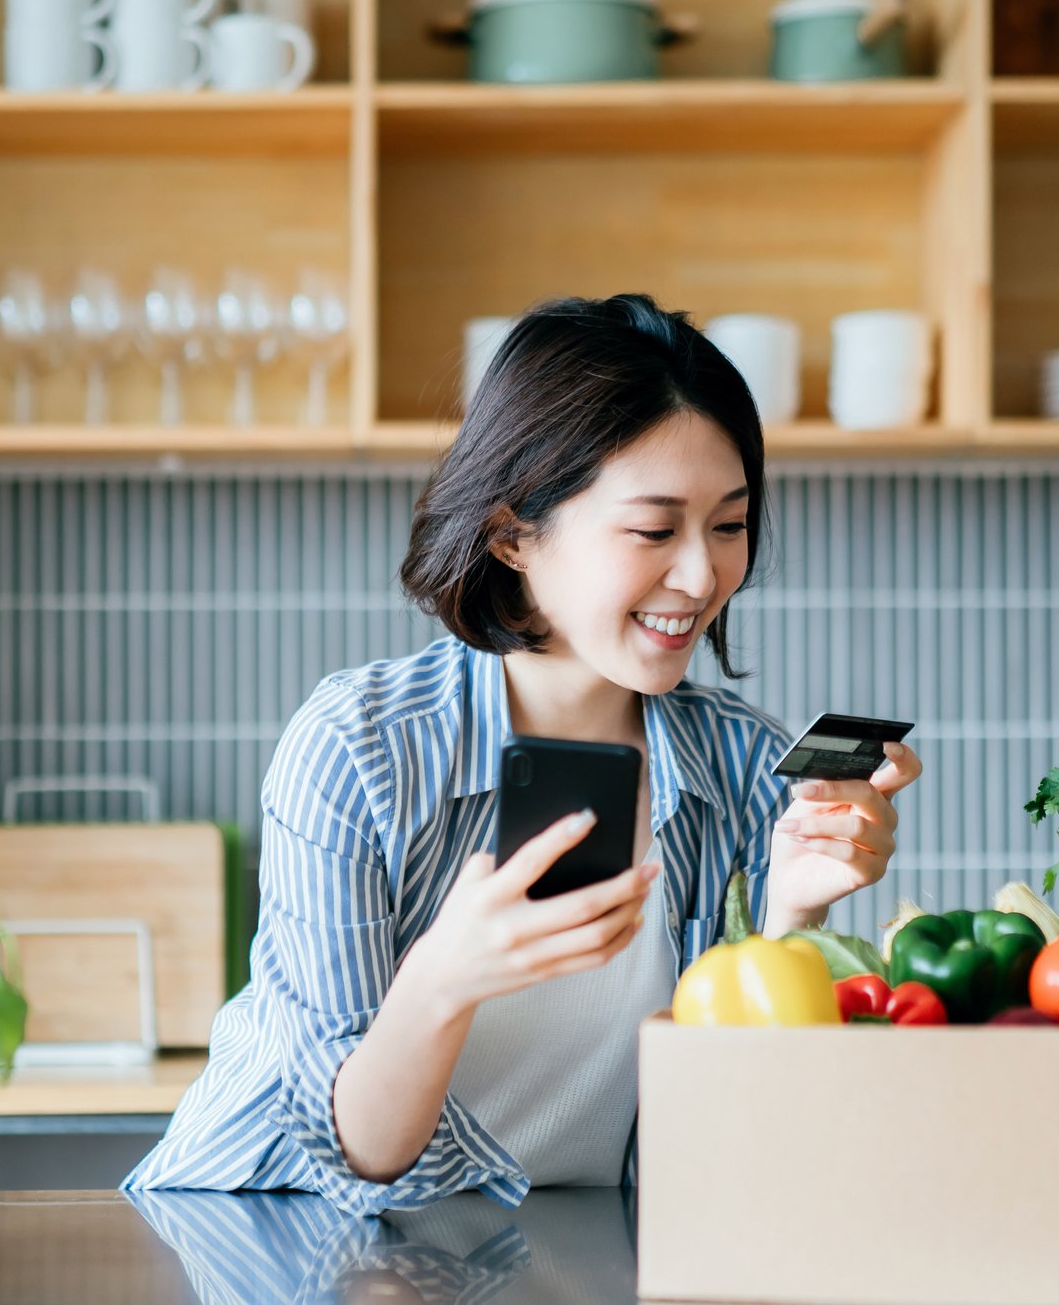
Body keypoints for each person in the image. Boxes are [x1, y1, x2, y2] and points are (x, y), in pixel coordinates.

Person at [124, 293, 922, 1214]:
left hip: (564, 1254)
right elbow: (357, 1155)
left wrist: (789, 919)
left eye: (729, 525)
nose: (702, 575)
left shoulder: (746, 770)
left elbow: (729, 1145)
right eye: (654, 529)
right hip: (278, 1237)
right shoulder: (360, 749)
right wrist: (444, 976)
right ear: (512, 533)